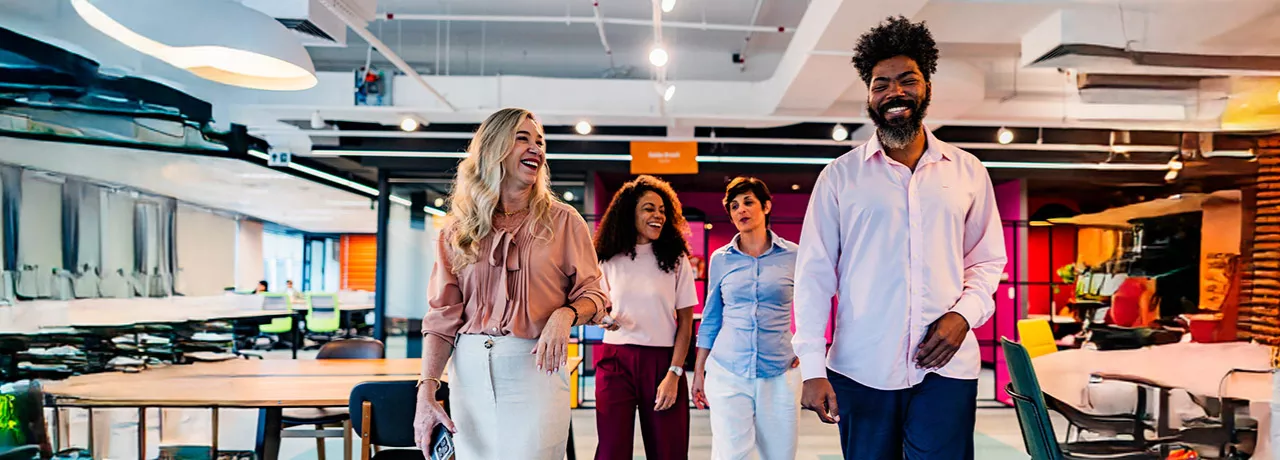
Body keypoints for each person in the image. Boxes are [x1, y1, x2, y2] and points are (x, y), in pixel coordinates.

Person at [791, 16, 1008, 460]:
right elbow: (814, 275)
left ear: (926, 86)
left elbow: (987, 261)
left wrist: (963, 315)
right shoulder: (839, 177)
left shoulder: (968, 171)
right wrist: (812, 367)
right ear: (869, 95)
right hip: (861, 368)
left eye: (907, 80)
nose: (894, 92)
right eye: (880, 84)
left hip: (947, 367)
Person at [413, 108, 609, 459]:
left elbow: (596, 295)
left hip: (534, 368)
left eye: (540, 142)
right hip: (468, 373)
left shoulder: (563, 222)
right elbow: (442, 318)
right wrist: (426, 391)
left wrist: (565, 314)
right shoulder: (459, 230)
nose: (537, 148)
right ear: (493, 148)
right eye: (523, 138)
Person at [691, 177, 801, 460]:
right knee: (731, 455)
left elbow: (812, 307)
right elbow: (712, 317)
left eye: (748, 202)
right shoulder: (721, 259)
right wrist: (699, 372)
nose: (741, 210)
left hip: (780, 371)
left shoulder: (794, 255)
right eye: (734, 206)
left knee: (780, 455)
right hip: (728, 370)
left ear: (766, 206)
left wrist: (805, 349)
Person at [592, 175, 697, 460]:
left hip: (663, 363)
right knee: (612, 450)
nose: (658, 215)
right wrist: (603, 319)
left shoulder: (676, 259)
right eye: (649, 208)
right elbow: (597, 309)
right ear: (631, 213)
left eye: (663, 210)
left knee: (669, 451)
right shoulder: (607, 258)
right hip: (616, 361)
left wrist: (675, 373)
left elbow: (686, 322)